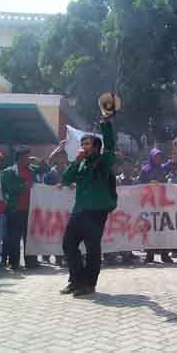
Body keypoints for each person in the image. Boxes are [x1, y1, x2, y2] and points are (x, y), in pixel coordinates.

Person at [60, 116, 117, 296]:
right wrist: (76, 162)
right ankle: (76, 280)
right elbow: (66, 179)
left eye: (87, 144)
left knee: (92, 248)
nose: (83, 146)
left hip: (96, 212)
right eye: (82, 143)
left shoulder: (104, 161)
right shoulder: (81, 162)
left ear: (96, 148)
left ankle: (89, 284)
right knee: (68, 244)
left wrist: (106, 124)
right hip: (79, 210)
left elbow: (109, 146)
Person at [1, 146, 41, 270]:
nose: (28, 159)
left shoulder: (32, 169)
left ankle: (31, 261)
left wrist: (40, 162)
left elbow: (47, 169)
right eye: (26, 157)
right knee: (14, 237)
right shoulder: (9, 171)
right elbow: (7, 188)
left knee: (30, 237)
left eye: (29, 157)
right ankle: (14, 262)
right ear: (19, 158)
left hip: (30, 209)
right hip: (15, 209)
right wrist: (24, 186)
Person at [138, 148, 174, 264]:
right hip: (149, 204)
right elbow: (139, 186)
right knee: (150, 229)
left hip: (162, 204)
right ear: (151, 157)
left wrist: (176, 150)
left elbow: (173, 161)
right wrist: (149, 185)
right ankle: (150, 254)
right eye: (156, 156)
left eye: (160, 156)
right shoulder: (145, 170)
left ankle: (164, 254)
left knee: (162, 229)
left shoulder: (163, 168)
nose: (158, 159)